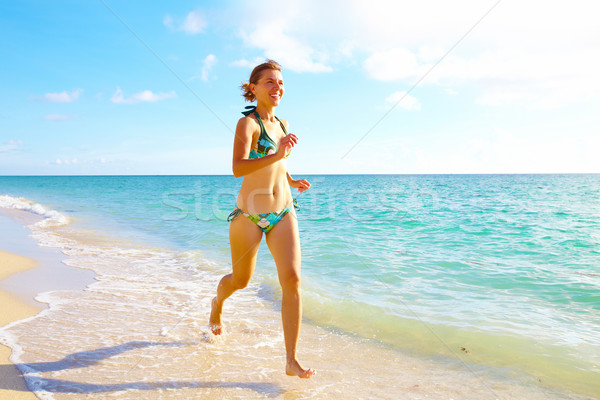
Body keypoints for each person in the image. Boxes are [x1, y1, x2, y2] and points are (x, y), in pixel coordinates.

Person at [209, 60, 315, 379]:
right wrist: (278, 155)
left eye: (280, 82)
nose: (276, 87)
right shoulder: (248, 125)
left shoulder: (282, 123)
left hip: (283, 210)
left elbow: (277, 165)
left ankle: (291, 360)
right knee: (240, 280)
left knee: (293, 280)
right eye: (269, 81)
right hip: (249, 215)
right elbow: (239, 168)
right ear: (253, 88)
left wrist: (291, 179)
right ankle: (217, 303)